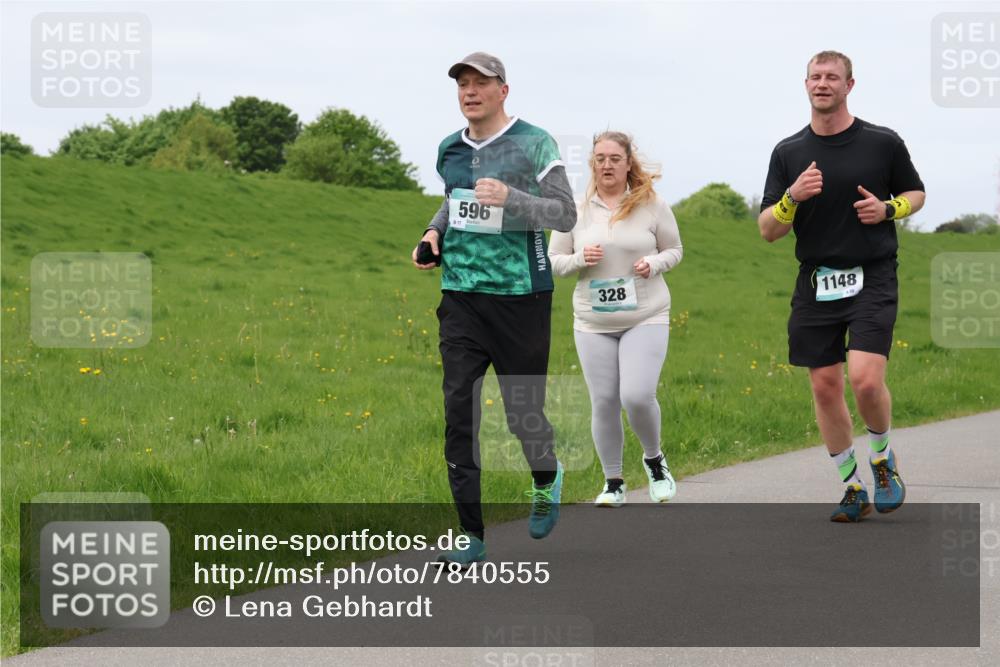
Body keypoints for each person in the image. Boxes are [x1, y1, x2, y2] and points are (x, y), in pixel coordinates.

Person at [412, 52, 577, 565]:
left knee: (522, 413)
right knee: (458, 412)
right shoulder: (449, 148)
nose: (470, 91)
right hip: (461, 297)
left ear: (503, 90)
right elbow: (453, 199)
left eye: (480, 83)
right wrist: (434, 232)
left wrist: (511, 198)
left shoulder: (535, 142)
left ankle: (546, 477)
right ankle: (470, 534)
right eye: (462, 83)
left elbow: (564, 214)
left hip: (521, 299)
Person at [757, 50, 925, 522]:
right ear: (805, 84)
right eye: (815, 76)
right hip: (816, 282)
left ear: (849, 85)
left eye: (832, 77)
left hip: (872, 274)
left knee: (865, 379)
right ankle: (852, 487)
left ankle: (882, 460)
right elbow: (768, 229)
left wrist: (889, 210)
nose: (822, 83)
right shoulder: (788, 152)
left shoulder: (881, 142)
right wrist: (791, 198)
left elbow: (916, 193)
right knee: (826, 385)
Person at [549, 132, 682, 507]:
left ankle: (655, 461)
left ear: (628, 164)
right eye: (600, 158)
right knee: (604, 401)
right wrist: (579, 259)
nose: (606, 165)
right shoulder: (574, 210)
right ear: (592, 163)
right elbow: (555, 261)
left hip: (646, 315)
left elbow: (675, 249)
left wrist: (654, 263)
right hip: (593, 322)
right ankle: (613, 483)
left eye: (614, 158)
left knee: (636, 396)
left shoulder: (652, 205)